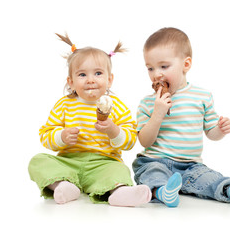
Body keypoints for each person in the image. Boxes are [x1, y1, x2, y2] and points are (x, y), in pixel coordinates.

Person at [132, 27, 230, 207]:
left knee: (207, 178)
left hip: (190, 165)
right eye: (150, 68)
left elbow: (211, 133)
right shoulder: (147, 103)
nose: (156, 74)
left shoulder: (202, 96)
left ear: (186, 64)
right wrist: (157, 114)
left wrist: (220, 130)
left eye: (164, 66)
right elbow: (145, 141)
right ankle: (162, 191)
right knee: (152, 174)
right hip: (154, 161)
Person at [28, 33, 151, 207]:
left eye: (98, 73)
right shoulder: (64, 105)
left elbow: (130, 141)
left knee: (119, 169)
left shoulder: (117, 106)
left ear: (109, 80)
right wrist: (61, 136)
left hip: (103, 163)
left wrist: (113, 130)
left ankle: (119, 192)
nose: (91, 80)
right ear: (70, 82)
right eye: (82, 75)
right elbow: (45, 135)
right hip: (68, 162)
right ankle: (63, 185)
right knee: (38, 161)